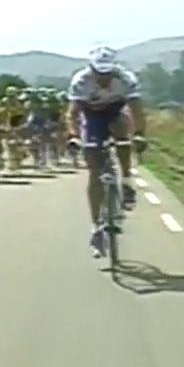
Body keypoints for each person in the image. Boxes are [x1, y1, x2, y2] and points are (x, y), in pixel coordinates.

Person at [66, 46, 148, 257]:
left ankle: (126, 180)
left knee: (122, 133)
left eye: (108, 73)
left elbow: (137, 110)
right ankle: (96, 227)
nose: (104, 78)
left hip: (115, 112)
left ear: (114, 68)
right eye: (99, 73)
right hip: (92, 116)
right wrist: (74, 137)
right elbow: (72, 114)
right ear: (92, 69)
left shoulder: (126, 79)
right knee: (94, 171)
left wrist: (139, 134)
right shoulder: (81, 81)